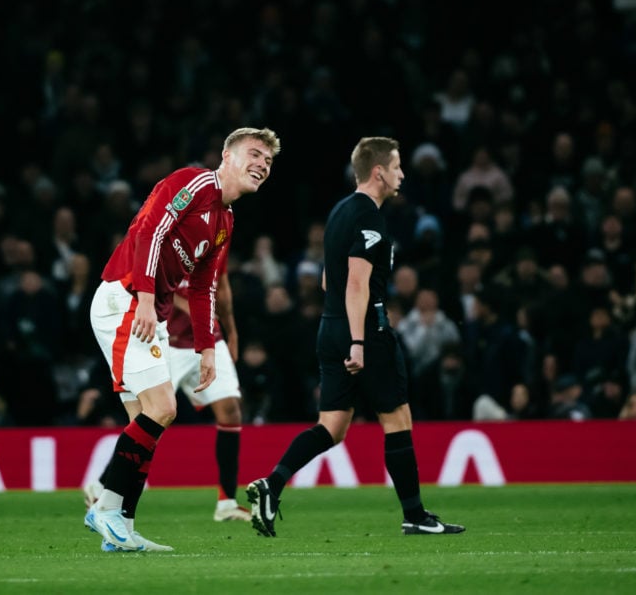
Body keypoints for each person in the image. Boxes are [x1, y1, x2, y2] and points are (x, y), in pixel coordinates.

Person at [246, 136, 464, 538]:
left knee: (331, 425)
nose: (402, 174)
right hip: (364, 330)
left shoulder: (339, 212)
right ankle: (415, 515)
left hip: (329, 327)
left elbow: (331, 279)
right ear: (379, 171)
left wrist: (345, 331)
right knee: (397, 417)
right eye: (397, 166)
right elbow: (356, 286)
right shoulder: (370, 217)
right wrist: (360, 341)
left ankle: (272, 484)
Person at [84, 127, 280, 552]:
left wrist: (208, 348)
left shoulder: (225, 220)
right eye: (255, 154)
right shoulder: (192, 183)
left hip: (144, 307)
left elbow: (204, 286)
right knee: (163, 408)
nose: (262, 165)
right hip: (125, 298)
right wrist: (147, 301)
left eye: (268, 162)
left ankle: (122, 525)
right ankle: (103, 509)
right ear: (227, 156)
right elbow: (149, 232)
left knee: (146, 421)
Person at [84, 273, 251, 522]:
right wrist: (196, 309)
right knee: (152, 416)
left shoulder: (219, 238)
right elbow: (157, 286)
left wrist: (232, 330)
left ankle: (227, 501)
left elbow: (222, 287)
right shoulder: (172, 239)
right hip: (168, 342)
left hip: (207, 340)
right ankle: (103, 486)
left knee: (231, 410)